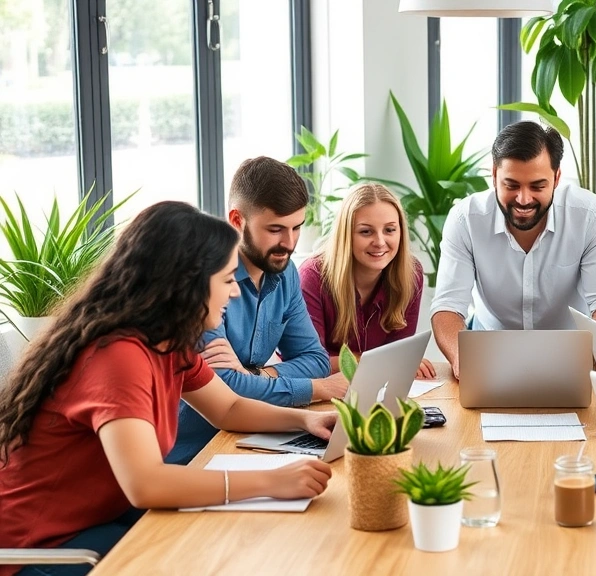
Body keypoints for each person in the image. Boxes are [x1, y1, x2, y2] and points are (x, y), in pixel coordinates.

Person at [0, 202, 334, 576]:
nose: (234, 293)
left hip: (99, 519)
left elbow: (229, 409)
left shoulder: (168, 343)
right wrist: (271, 481)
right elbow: (146, 484)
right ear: (187, 283)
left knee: (218, 541)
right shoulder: (118, 356)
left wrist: (307, 421)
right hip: (37, 551)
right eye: (227, 280)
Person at [168, 156, 344, 465]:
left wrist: (257, 374)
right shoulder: (205, 281)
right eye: (275, 229)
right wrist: (317, 388)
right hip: (188, 454)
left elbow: (315, 360)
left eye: (297, 228)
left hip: (252, 437)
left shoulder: (285, 274)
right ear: (237, 220)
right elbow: (224, 386)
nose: (289, 243)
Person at [430, 121, 596, 379]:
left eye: (537, 186)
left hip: (569, 357)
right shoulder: (465, 219)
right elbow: (448, 305)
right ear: (494, 176)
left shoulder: (588, 215)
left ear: (556, 178)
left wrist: (592, 355)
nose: (523, 199)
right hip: (489, 356)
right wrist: (462, 357)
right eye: (511, 185)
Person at [299, 183, 435, 379]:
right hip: (322, 390)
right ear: (346, 235)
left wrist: (399, 361)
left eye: (389, 230)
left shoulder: (411, 274)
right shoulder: (312, 277)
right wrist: (386, 362)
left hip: (376, 387)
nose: (380, 242)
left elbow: (398, 352)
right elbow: (310, 362)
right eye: (366, 231)